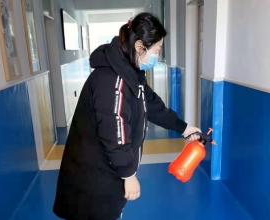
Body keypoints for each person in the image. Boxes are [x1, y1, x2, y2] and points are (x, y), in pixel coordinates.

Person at [53, 12, 201, 220]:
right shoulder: (112, 80)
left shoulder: (130, 74)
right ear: (140, 47)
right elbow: (115, 133)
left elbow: (152, 105)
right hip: (93, 178)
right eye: (157, 50)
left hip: (107, 172)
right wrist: (128, 174)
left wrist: (183, 128)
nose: (158, 55)